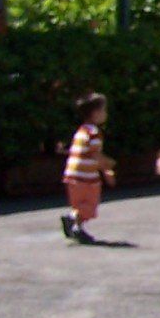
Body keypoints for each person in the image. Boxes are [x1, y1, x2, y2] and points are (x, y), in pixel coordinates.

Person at [61, 90, 116, 245]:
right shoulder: (94, 133)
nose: (105, 114)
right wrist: (108, 166)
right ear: (96, 113)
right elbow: (95, 154)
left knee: (79, 204)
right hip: (87, 177)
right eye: (104, 110)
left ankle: (77, 227)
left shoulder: (81, 131)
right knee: (90, 206)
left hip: (72, 175)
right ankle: (72, 219)